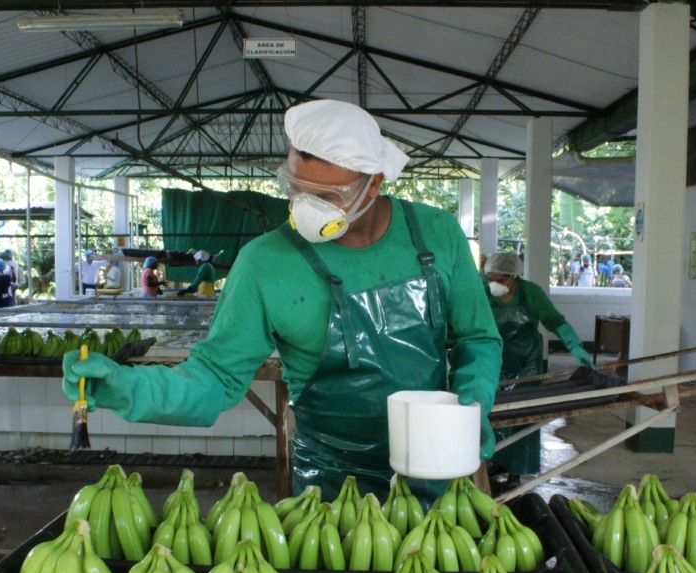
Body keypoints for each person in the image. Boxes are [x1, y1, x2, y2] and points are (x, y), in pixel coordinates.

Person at [62, 99, 502, 500]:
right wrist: (129, 388)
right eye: (296, 189)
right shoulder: (264, 263)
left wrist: (473, 401)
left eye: (327, 197)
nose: (306, 207)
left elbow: (478, 339)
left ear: (374, 185)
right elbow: (215, 379)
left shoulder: (438, 234)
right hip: (329, 487)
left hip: (441, 466)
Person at [484, 252, 594, 481]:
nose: (495, 284)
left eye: (500, 280)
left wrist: (575, 346)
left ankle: (516, 469)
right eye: (490, 279)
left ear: (513, 276)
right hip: (495, 359)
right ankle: (496, 461)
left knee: (523, 416)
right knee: (493, 414)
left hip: (527, 362)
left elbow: (556, 322)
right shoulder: (485, 293)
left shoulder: (531, 293)